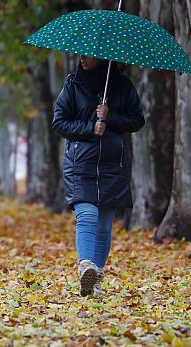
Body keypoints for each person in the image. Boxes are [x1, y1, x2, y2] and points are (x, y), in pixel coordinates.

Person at [52, 56, 145, 296]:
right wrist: (90, 128)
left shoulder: (122, 86)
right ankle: (85, 266)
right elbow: (59, 122)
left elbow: (137, 120)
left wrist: (110, 115)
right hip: (80, 163)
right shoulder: (72, 85)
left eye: (88, 55)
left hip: (112, 166)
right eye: (81, 54)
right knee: (87, 213)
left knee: (104, 225)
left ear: (102, 57)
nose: (83, 59)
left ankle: (95, 278)